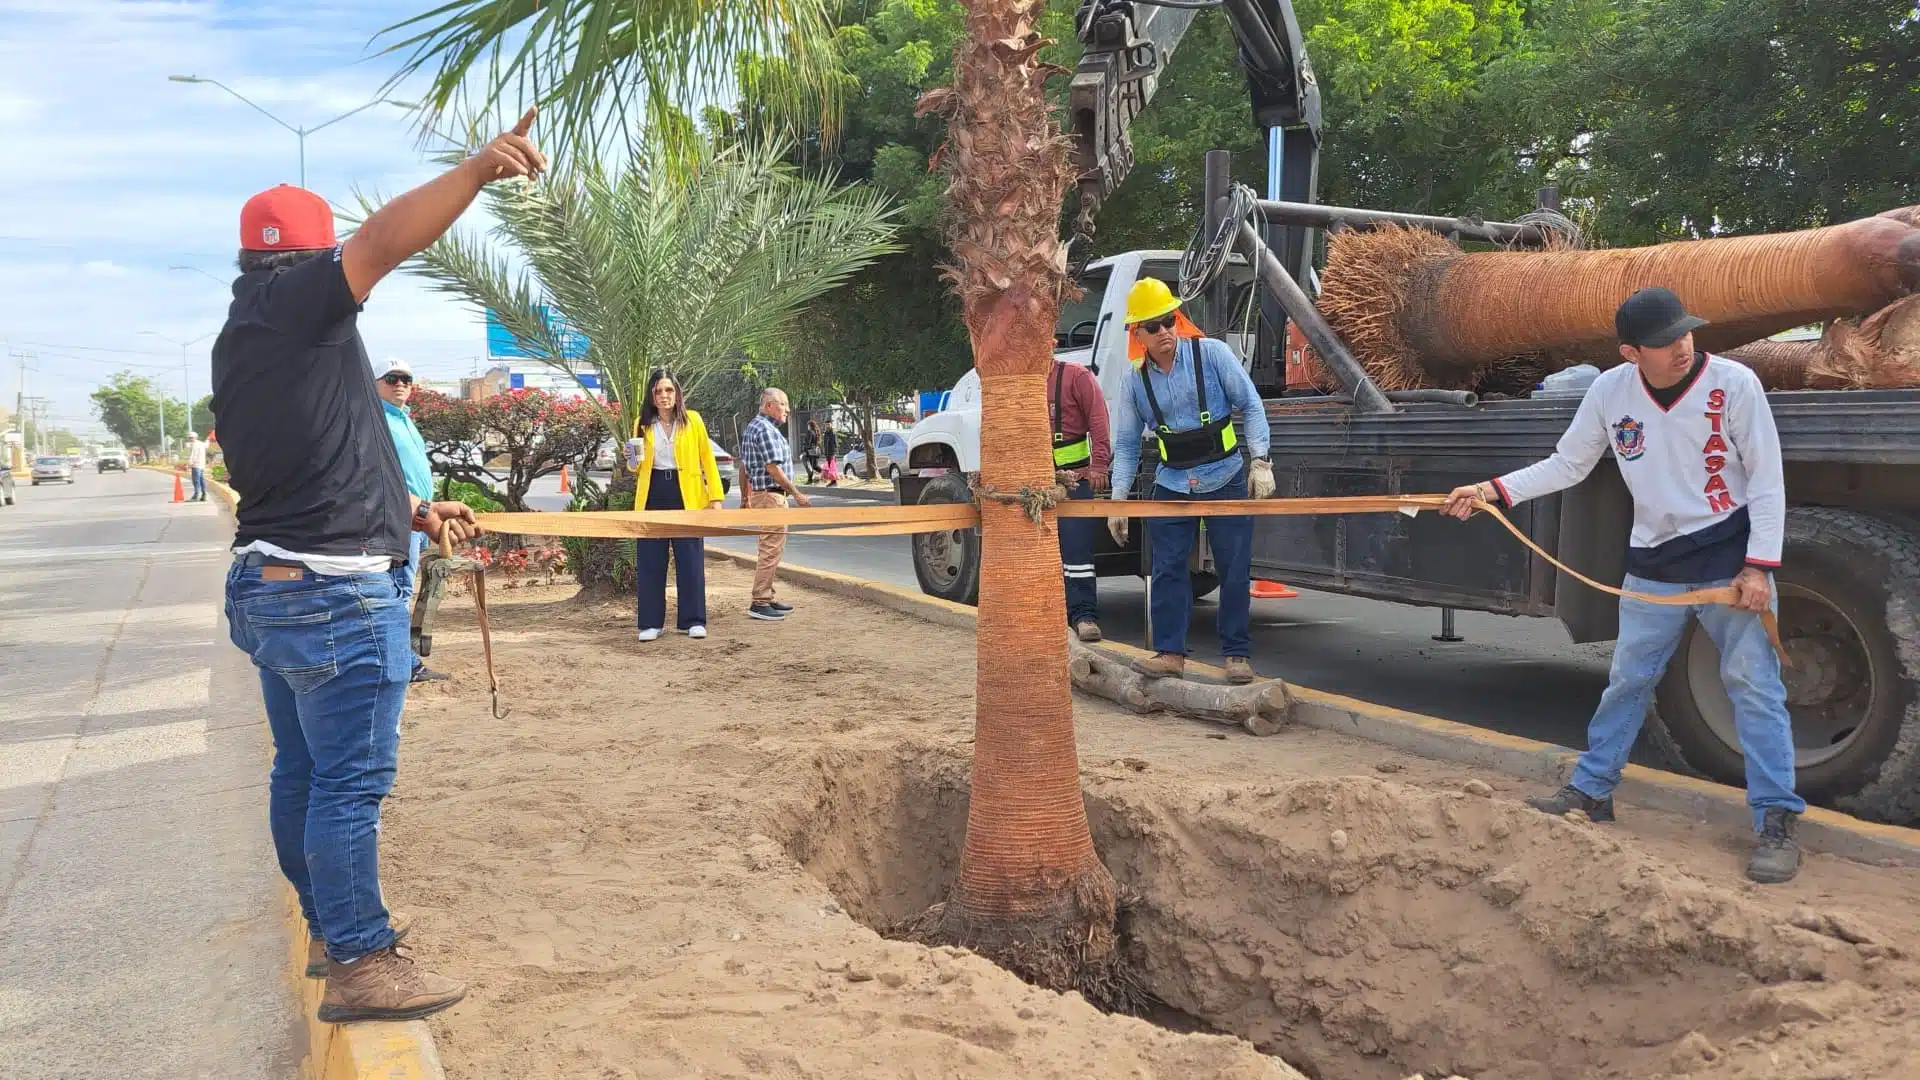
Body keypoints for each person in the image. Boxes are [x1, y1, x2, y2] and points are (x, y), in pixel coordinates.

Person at [212, 109, 543, 1023]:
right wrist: (477, 170)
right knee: (349, 783)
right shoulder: (300, 304)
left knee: (305, 772)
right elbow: (381, 241)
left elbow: (319, 464)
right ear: (312, 264)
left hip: (275, 581)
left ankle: (330, 928)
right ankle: (362, 959)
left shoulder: (250, 334)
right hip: (330, 595)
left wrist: (413, 509)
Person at [1442, 287, 1803, 884]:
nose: (1682, 347)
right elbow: (1568, 464)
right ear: (1631, 352)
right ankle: (1593, 791)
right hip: (1654, 566)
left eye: (1685, 334)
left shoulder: (1734, 384)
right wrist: (1491, 491)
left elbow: (1767, 479)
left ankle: (1777, 820)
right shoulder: (1611, 392)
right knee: (1628, 681)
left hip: (1727, 559)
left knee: (1753, 687)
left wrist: (1760, 566)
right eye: (1665, 342)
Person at [1107, 278, 1273, 685]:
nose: (1164, 330)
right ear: (1137, 333)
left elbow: (1250, 404)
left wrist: (1261, 462)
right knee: (1167, 569)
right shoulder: (1134, 382)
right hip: (1172, 483)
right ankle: (1169, 652)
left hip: (1226, 476)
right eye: (1153, 325)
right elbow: (1127, 446)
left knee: (1233, 569)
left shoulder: (1212, 355)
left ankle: (1236, 655)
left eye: (1169, 320)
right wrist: (1117, 500)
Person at [625, 370, 725, 641]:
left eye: (668, 390)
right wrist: (631, 460)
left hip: (687, 493)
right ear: (651, 396)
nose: (664, 396)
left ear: (677, 393)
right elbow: (636, 467)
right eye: (658, 391)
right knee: (650, 559)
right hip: (653, 492)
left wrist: (715, 497)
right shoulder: (642, 424)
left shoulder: (693, 420)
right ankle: (650, 622)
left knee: (690, 558)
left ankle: (693, 620)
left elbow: (708, 459)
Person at [374, 359, 447, 682]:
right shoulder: (375, 419)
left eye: (406, 378)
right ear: (376, 382)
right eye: (392, 378)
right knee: (395, 592)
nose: (400, 383)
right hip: (395, 518)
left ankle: (401, 662)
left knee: (400, 588)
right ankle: (400, 664)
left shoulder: (403, 419)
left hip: (415, 521)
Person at [1050, 358, 1112, 642]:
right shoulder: (1018, 381)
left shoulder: (1076, 377)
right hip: (1033, 484)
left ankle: (1084, 615)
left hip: (1075, 480)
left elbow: (1098, 419)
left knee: (1077, 553)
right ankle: (1047, 615)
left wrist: (1099, 464)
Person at [736, 388, 811, 621]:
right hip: (771, 496)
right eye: (784, 404)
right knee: (770, 549)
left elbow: (743, 467)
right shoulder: (766, 430)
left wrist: (745, 498)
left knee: (770, 547)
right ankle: (760, 601)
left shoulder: (752, 428)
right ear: (769, 405)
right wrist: (797, 493)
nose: (787, 409)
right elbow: (773, 469)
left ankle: (767, 596)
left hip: (762, 495)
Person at [185, 432, 209, 501]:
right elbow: (206, 445)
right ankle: (204, 495)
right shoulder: (201, 444)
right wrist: (208, 439)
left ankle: (196, 495)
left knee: (196, 481)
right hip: (201, 465)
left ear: (195, 437)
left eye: (191, 437)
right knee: (201, 480)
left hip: (196, 465)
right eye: (190, 437)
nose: (190, 439)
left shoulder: (195, 445)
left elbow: (193, 456)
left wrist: (188, 465)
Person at [802, 419, 822, 484]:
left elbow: (808, 443)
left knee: (810, 466)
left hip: (810, 451)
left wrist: (805, 451)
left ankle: (810, 480)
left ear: (810, 425)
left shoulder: (810, 432)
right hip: (815, 451)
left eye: (808, 425)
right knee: (814, 466)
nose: (807, 427)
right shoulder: (816, 432)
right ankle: (825, 473)